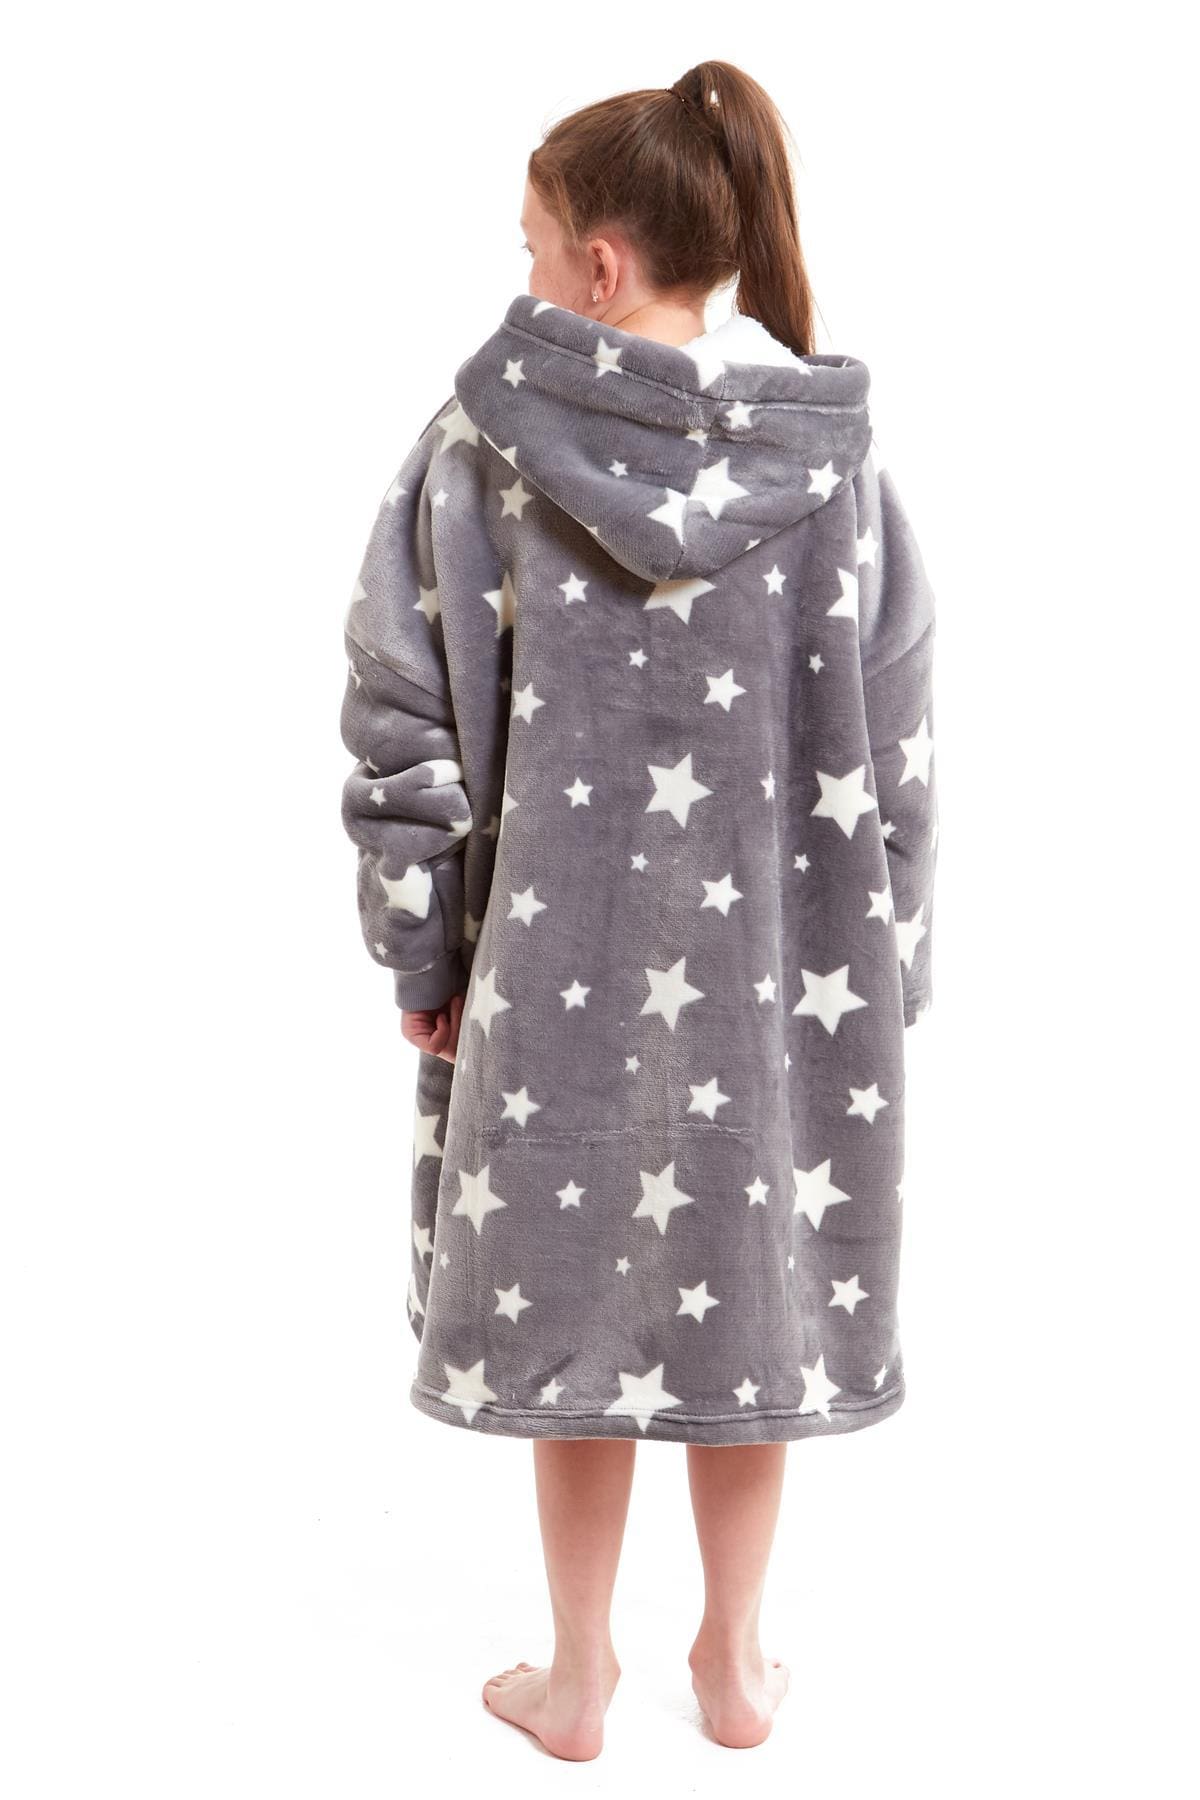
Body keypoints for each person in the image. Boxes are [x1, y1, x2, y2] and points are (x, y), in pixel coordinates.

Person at [338, 59, 938, 1761]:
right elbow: (900, 736)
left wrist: (422, 946)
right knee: (752, 1299)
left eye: (532, 244)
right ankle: (734, 1668)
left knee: (566, 1295)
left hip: (546, 988)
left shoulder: (477, 453)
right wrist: (891, 962)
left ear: (599, 267)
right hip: (784, 993)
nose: (524, 276)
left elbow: (401, 719)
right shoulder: (834, 474)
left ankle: (579, 1675)